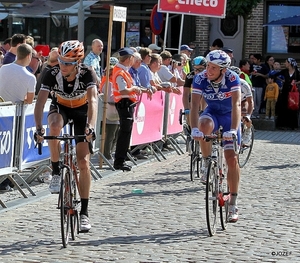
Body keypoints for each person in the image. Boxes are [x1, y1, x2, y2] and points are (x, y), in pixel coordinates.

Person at [34, 40, 98, 232]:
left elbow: (93, 100)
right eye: (61, 61)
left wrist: (91, 126)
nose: (63, 66)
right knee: (53, 127)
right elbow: (40, 103)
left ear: (77, 63)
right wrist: (38, 128)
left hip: (82, 111)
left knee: (83, 162)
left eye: (68, 63)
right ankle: (55, 172)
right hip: (61, 107)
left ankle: (85, 212)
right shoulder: (51, 73)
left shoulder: (87, 73)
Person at [191, 50, 241, 223]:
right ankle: (206, 162)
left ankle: (233, 203)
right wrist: (194, 129)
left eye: (213, 68)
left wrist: (233, 130)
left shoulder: (233, 78)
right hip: (212, 112)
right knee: (203, 125)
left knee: (231, 158)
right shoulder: (200, 78)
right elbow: (195, 103)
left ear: (223, 70)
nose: (209, 70)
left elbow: (236, 104)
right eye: (208, 66)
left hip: (229, 116)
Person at [0, 43, 36, 191]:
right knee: (13, 150)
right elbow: (29, 100)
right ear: (28, 56)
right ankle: (6, 181)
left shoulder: (3, 68)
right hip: (18, 116)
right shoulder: (29, 76)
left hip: (2, 113)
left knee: (2, 148)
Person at [112, 47, 152, 171]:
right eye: (132, 59)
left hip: (127, 103)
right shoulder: (120, 71)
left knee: (126, 132)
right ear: (128, 59)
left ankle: (121, 159)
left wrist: (136, 88)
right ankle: (119, 161)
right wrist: (134, 89)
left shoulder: (123, 70)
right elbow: (123, 89)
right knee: (124, 133)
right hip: (124, 103)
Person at [99, 57, 120, 165]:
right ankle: (107, 154)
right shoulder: (109, 83)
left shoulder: (111, 82)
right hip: (110, 112)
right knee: (110, 135)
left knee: (115, 134)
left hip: (113, 112)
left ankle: (110, 153)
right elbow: (109, 98)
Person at [229, 66, 254, 146]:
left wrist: (248, 115)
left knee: (244, 113)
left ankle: (248, 129)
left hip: (243, 100)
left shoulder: (244, 84)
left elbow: (250, 101)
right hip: (230, 101)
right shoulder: (225, 82)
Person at [274, 58, 300, 130]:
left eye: (286, 62)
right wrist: (283, 81)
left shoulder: (297, 72)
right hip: (285, 91)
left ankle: (293, 125)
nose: (285, 64)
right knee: (284, 107)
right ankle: (283, 125)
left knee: (292, 107)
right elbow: (275, 75)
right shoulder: (285, 71)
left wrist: (296, 83)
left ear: (290, 63)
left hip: (293, 92)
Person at [182, 56, 207, 127]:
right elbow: (186, 94)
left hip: (206, 98)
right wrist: (186, 109)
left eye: (201, 69)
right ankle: (191, 129)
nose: (197, 72)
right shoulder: (190, 76)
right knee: (191, 106)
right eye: (195, 69)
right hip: (194, 98)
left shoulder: (209, 75)